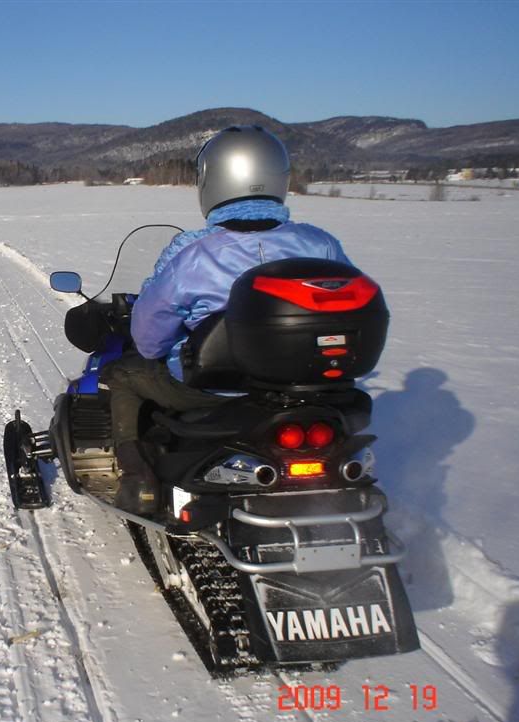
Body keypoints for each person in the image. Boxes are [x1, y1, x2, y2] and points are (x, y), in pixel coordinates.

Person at [104, 125, 353, 515]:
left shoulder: (193, 253)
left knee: (123, 376)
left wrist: (156, 345)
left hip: (217, 389)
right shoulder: (321, 243)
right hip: (310, 389)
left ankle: (139, 480)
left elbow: (150, 337)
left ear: (212, 180)